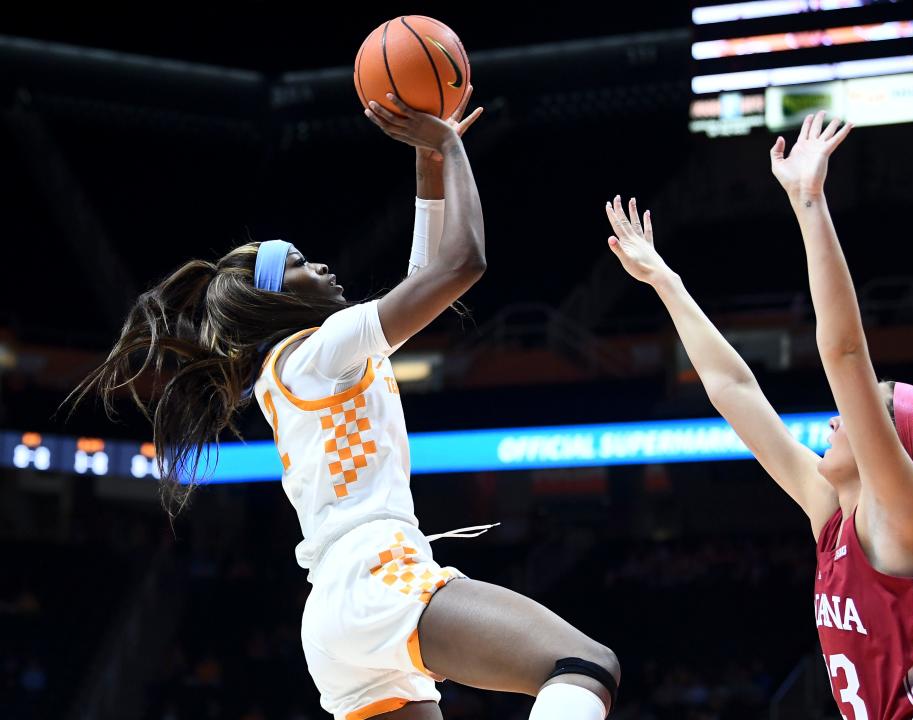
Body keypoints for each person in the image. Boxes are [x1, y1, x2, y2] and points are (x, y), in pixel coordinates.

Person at [71, 87, 619, 720]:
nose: (323, 266)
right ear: (275, 299)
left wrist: (428, 168)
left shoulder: (302, 366)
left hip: (337, 614)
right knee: (583, 666)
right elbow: (462, 263)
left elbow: (426, 270)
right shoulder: (323, 348)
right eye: (301, 264)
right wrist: (446, 143)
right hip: (376, 575)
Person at [603, 112, 913, 717]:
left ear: (895, 456)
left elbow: (844, 352)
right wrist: (666, 282)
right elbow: (732, 386)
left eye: (858, 414)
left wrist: (809, 201)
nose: (835, 421)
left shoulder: (904, 521)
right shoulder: (836, 520)